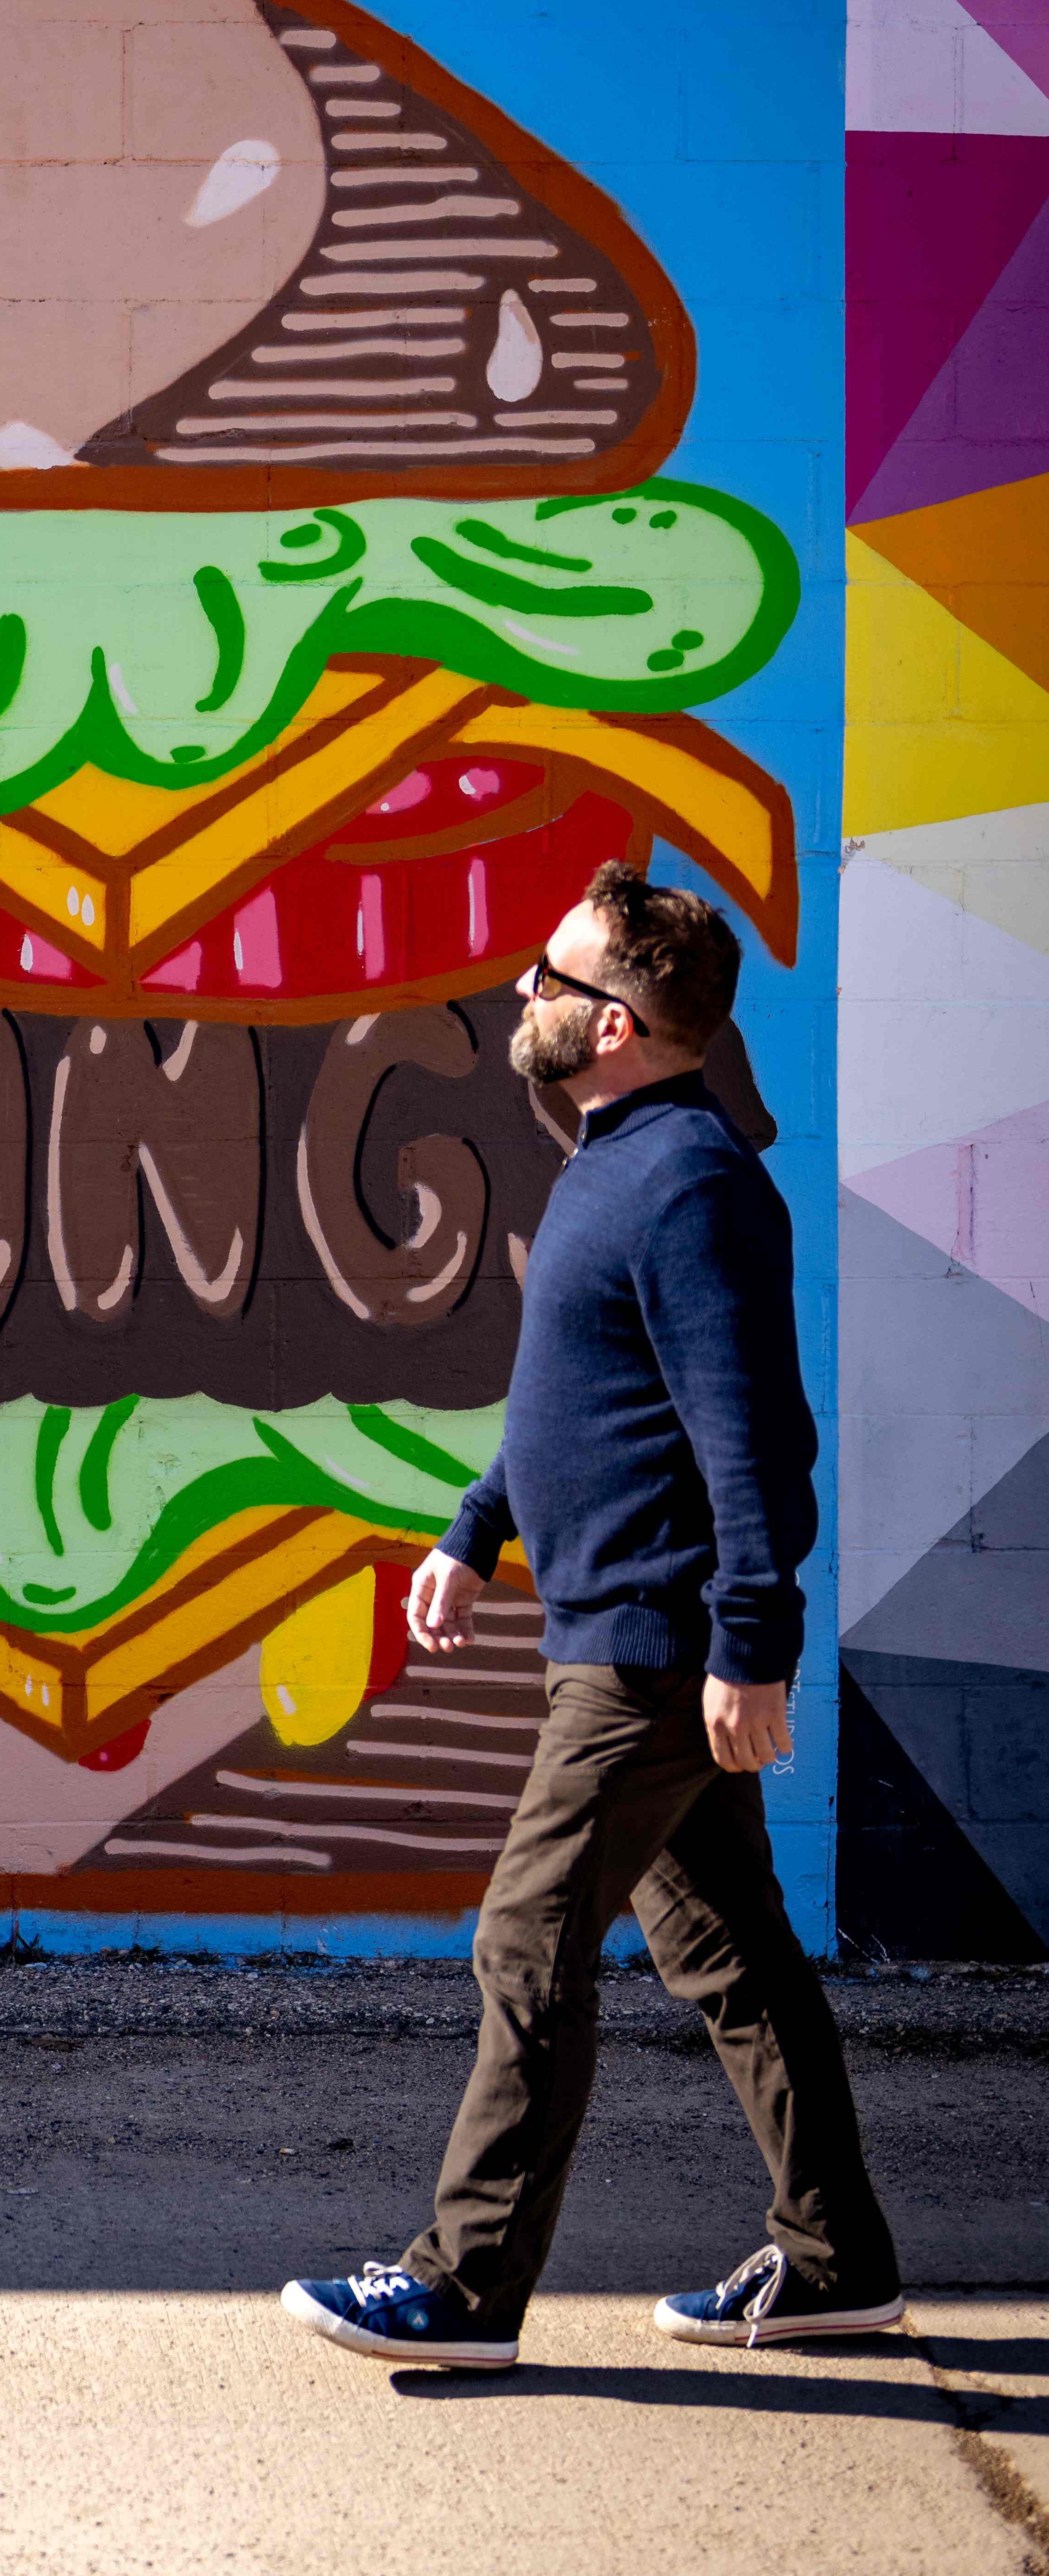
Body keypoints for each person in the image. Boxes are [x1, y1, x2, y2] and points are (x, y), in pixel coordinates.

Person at [279, 861, 901, 2371]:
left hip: (648, 1650)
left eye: (552, 980)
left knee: (526, 1941)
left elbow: (754, 1437)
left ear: (618, 1024)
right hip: (624, 1630)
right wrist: (474, 1529)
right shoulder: (619, 1164)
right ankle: (837, 2265)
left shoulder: (690, 1184)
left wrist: (752, 1645)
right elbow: (589, 1397)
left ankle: (464, 2285)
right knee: (735, 1958)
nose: (523, 996)